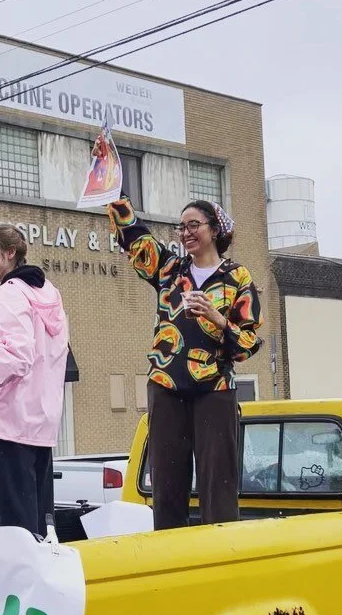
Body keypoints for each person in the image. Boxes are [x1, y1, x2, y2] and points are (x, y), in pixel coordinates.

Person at [95, 139, 263, 530]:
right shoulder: (170, 270)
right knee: (166, 481)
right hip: (166, 382)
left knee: (217, 481)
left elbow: (249, 342)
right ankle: (169, 555)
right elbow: (134, 236)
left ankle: (220, 556)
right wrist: (112, 182)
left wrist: (219, 321)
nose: (185, 232)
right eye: (181, 226)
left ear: (214, 230)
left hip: (214, 388)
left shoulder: (237, 277)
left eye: (194, 225)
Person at [0, 224, 68, 538]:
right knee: (37, 527)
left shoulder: (9, 293)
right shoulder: (48, 292)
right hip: (40, 424)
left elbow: (17, 355)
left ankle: (17, 586)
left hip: (9, 423)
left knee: (12, 531)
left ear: (9, 254)